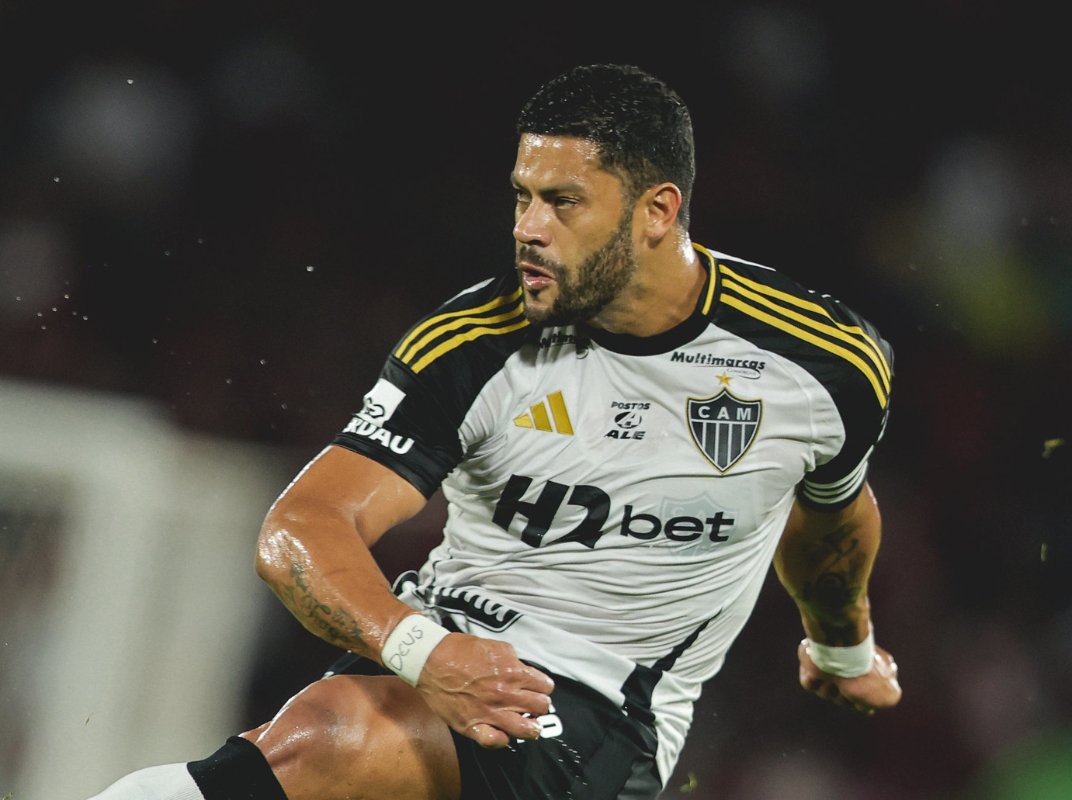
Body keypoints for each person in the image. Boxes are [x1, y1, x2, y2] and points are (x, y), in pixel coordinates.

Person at [86, 62, 902, 800]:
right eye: (522, 195)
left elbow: (831, 514)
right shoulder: (474, 344)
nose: (528, 228)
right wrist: (423, 652)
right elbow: (299, 528)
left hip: (601, 714)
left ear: (659, 211)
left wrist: (843, 650)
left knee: (332, 735)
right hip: (431, 658)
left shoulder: (819, 363)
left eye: (564, 201)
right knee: (327, 732)